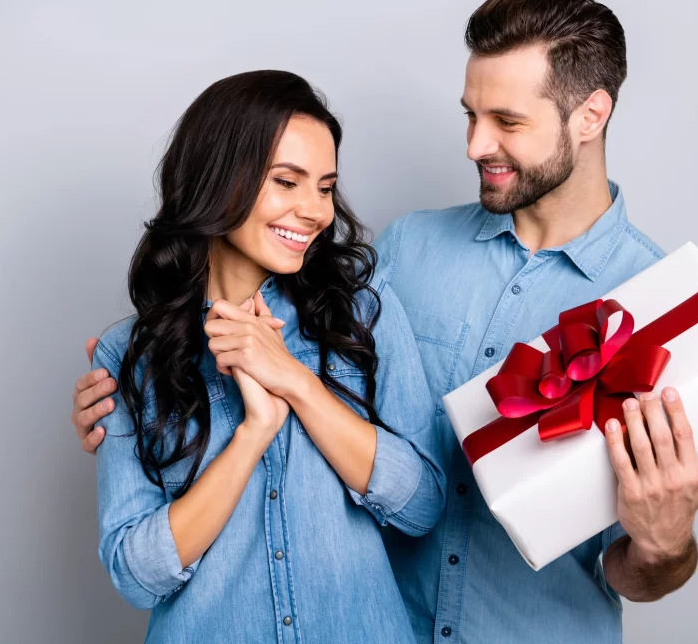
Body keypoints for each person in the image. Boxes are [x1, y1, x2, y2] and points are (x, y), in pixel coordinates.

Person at [72, 0, 698, 644]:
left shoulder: (664, 308)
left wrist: (666, 540)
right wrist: (136, 380)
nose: (475, 144)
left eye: (506, 121)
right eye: (469, 115)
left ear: (591, 115)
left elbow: (631, 564)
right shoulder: (402, 253)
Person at [87, 69, 446, 643]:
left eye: (325, 187)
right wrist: (255, 432)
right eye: (287, 181)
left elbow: (423, 504)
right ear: (218, 178)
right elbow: (135, 574)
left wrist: (298, 384)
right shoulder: (127, 354)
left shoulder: (364, 315)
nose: (315, 211)